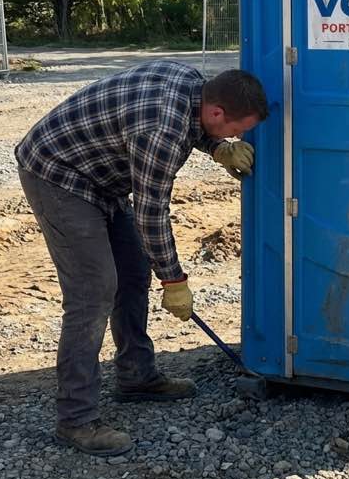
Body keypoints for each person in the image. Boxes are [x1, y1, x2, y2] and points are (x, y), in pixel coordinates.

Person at [15, 61, 268, 457]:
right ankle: (76, 419)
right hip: (58, 175)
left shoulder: (193, 86)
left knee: (132, 274)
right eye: (237, 129)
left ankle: (136, 376)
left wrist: (217, 146)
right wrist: (174, 279)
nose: (240, 136)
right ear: (217, 112)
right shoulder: (160, 132)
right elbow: (152, 213)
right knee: (94, 293)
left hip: (101, 175)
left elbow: (194, 126)